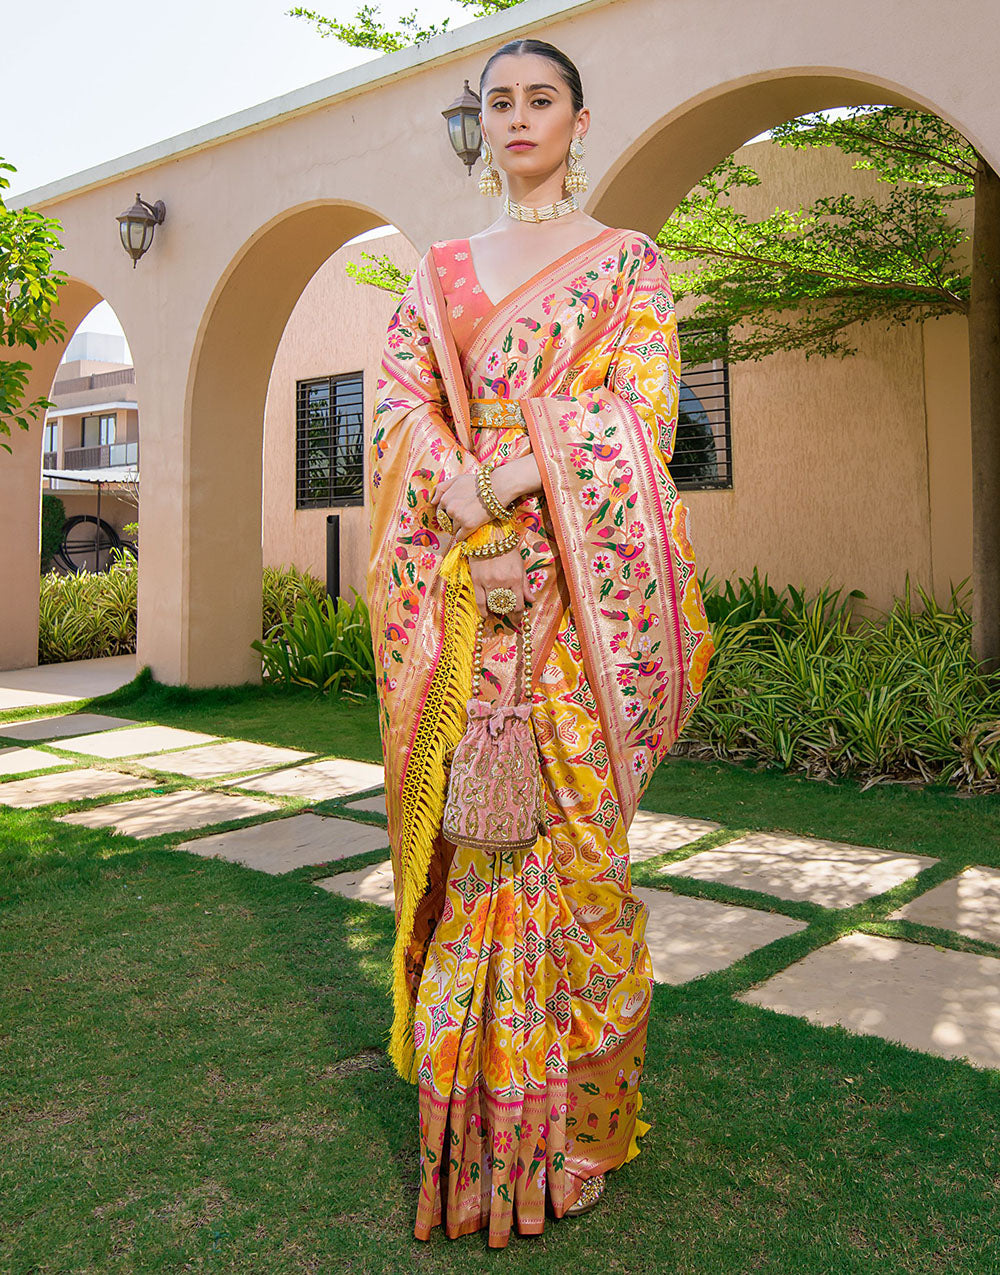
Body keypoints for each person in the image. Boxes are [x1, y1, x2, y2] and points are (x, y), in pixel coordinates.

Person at [366, 36, 715, 1248]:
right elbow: (402, 408)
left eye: (539, 100)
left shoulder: (625, 265)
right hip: (475, 605)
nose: (517, 118)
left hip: (576, 613)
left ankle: (585, 1124)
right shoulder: (440, 272)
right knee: (477, 848)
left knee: (587, 866)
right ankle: (476, 1116)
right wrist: (468, 516)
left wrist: (512, 481)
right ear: (482, 124)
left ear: (578, 119)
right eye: (496, 102)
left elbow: (640, 414)